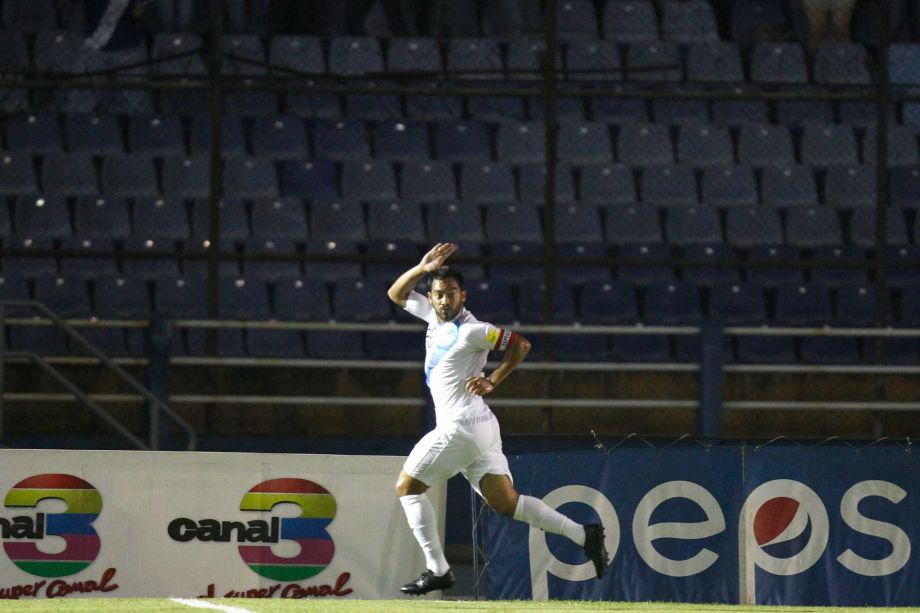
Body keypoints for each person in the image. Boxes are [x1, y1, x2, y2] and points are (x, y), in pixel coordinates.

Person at [387, 242, 610, 596]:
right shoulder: (433, 316)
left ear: (464, 295)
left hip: (460, 426)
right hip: (481, 426)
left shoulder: (473, 330)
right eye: (439, 295)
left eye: (451, 294)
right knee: (507, 503)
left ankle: (438, 569)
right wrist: (421, 268)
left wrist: (493, 379)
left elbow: (520, 345)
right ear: (433, 297)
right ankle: (584, 534)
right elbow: (396, 294)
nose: (445, 301)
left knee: (407, 488)